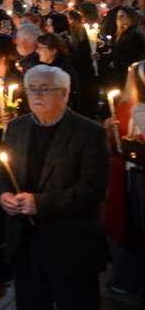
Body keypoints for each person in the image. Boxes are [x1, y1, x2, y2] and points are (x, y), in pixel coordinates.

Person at [0, 65, 109, 309]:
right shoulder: (17, 127)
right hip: (24, 241)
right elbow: (1, 169)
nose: (36, 95)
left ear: (65, 93)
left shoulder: (89, 132)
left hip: (70, 242)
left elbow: (93, 189)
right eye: (31, 89)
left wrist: (40, 203)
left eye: (45, 89)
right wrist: (4, 193)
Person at [102, 60, 145, 297]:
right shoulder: (126, 105)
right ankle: (126, 278)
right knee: (125, 227)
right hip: (125, 177)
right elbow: (114, 144)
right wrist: (110, 131)